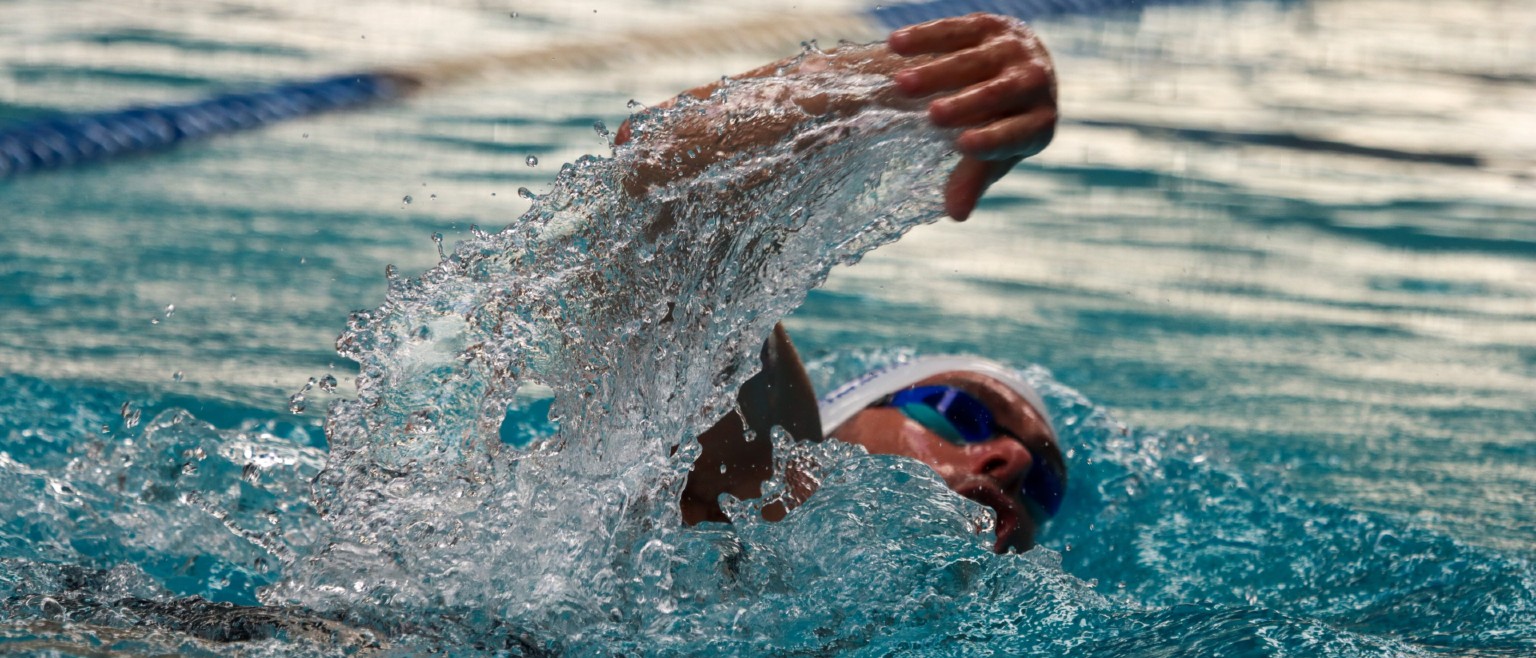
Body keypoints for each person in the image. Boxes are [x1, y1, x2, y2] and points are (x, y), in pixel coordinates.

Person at [614, 13, 1065, 552]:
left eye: (1044, 487)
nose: (1015, 460)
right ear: (843, 426)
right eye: (957, 414)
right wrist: (925, 82)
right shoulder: (764, 494)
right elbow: (668, 189)